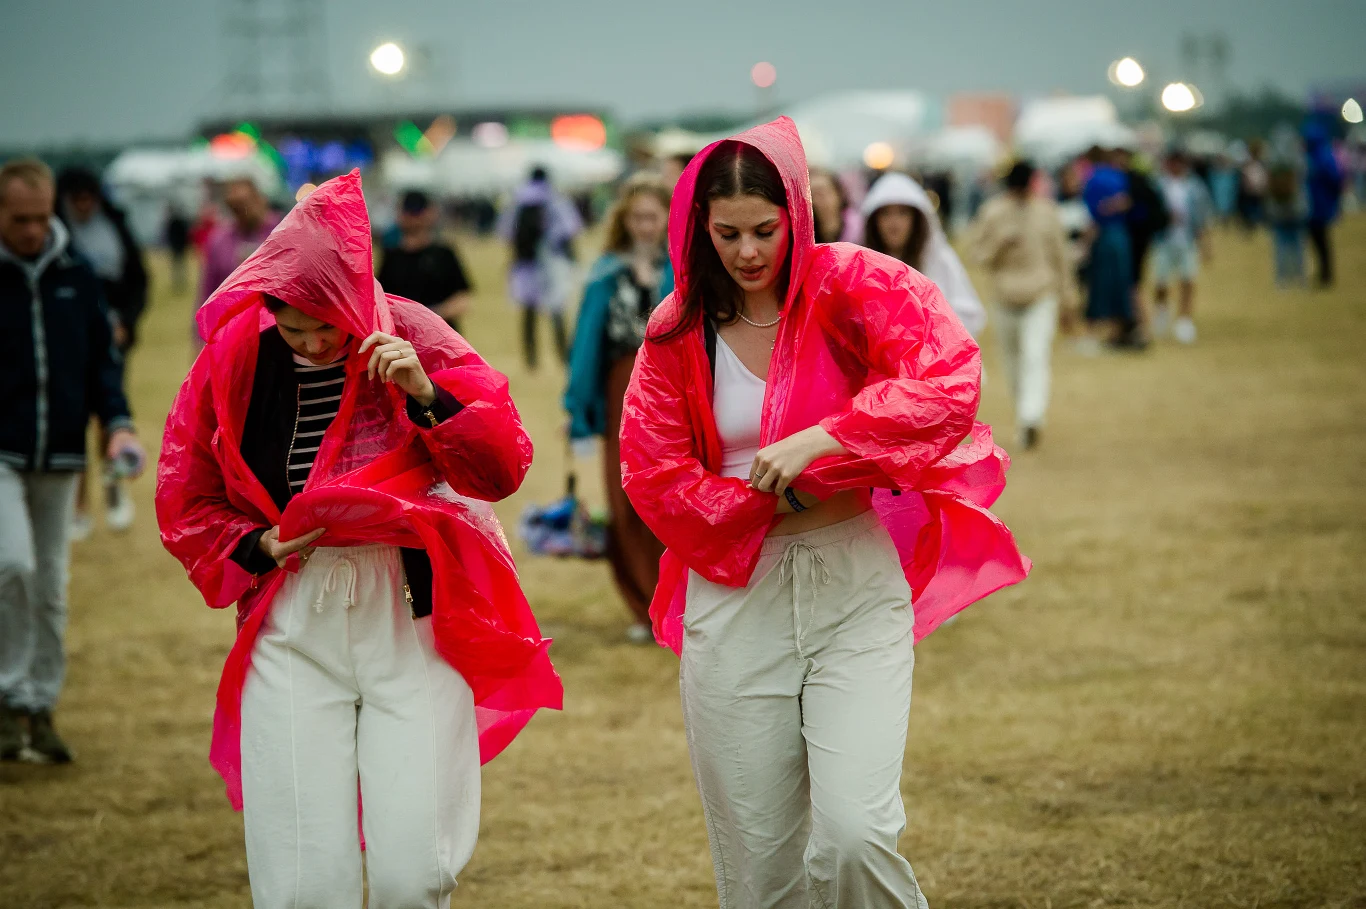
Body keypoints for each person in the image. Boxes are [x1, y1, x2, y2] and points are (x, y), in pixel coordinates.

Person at [620, 117, 1029, 909]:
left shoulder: (855, 286)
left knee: (854, 837)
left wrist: (824, 440)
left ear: (799, 216)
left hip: (853, 589)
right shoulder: (675, 331)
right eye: (727, 232)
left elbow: (947, 383)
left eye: (766, 230)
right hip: (737, 602)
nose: (747, 252)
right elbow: (653, 472)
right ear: (699, 229)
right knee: (760, 871)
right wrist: (761, 500)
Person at [155, 172, 561, 909]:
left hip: (411, 612)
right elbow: (187, 492)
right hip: (292, 613)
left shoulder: (414, 332)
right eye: (292, 327)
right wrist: (254, 546)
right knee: (305, 882)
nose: (311, 344)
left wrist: (428, 396)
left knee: (415, 871)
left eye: (326, 328)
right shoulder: (235, 357)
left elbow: (502, 465)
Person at [0, 158, 146, 764]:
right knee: (13, 565)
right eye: (19, 219)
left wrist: (116, 424)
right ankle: (7, 700)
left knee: (53, 586)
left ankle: (40, 707)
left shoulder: (77, 275)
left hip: (60, 454)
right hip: (3, 454)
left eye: (41, 217)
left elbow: (100, 367)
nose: (33, 230)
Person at [563, 173, 674, 643]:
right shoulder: (606, 273)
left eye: (653, 215)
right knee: (623, 498)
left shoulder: (685, 268)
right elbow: (587, 344)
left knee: (669, 496)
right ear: (624, 221)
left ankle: (676, 601)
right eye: (637, 217)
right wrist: (579, 407)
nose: (646, 225)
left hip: (672, 390)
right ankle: (642, 605)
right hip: (619, 387)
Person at [55, 167, 150, 535]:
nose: (82, 205)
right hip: (69, 340)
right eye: (75, 199)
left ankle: (114, 490)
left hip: (112, 338)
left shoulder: (116, 226)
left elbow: (139, 280)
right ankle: (77, 503)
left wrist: (127, 320)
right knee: (73, 421)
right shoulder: (56, 232)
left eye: (87, 198)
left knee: (110, 421)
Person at [970, 160, 1075, 449]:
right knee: (1012, 362)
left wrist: (1069, 300)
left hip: (1041, 294)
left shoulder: (1047, 212)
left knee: (1034, 355)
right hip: (1004, 296)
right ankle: (1025, 416)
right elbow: (977, 255)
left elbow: (1061, 258)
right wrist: (1000, 245)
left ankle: (1031, 417)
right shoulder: (992, 212)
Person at [859, 170, 988, 337]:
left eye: (902, 213)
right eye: (886, 214)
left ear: (916, 219)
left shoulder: (939, 259)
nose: (894, 222)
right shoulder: (864, 267)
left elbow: (969, 314)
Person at [497, 166, 583, 369]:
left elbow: (505, 231)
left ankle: (531, 359)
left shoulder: (518, 199)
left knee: (529, 311)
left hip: (526, 264)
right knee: (557, 310)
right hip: (552, 261)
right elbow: (570, 228)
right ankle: (563, 355)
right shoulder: (555, 198)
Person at [195, 175, 281, 357]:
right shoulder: (219, 240)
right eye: (235, 207)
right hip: (232, 336)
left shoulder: (281, 231)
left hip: (277, 332)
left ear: (259, 198)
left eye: (245, 203)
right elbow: (208, 292)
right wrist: (200, 339)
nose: (242, 211)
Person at [376, 189, 474, 333]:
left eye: (417, 211)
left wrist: (429, 315)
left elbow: (462, 299)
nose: (413, 217)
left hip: (442, 337)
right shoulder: (391, 256)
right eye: (409, 211)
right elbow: (380, 300)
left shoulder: (444, 254)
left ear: (431, 213)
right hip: (403, 338)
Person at [1150, 150, 1213, 344]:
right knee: (1161, 280)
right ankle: (1162, 312)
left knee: (1188, 279)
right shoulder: (1159, 185)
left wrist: (1205, 243)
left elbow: (1202, 216)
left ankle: (1184, 319)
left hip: (1187, 239)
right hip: (1164, 239)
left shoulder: (1194, 186)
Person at [1081, 148, 1134, 352]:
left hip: (1103, 236)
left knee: (1100, 285)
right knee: (1120, 284)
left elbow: (1093, 212)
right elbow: (1125, 202)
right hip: (1120, 236)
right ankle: (1118, 331)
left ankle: (1092, 332)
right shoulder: (1119, 177)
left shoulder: (1093, 179)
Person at [1303, 121, 1343, 288]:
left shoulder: (1320, 157)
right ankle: (1323, 273)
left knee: (1321, 241)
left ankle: (1326, 274)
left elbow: (1335, 181)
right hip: (1315, 206)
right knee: (1318, 241)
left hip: (1318, 206)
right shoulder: (1323, 156)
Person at [1266, 159, 1309, 288]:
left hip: (1278, 212)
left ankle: (1281, 279)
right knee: (1298, 246)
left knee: (1280, 247)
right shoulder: (1298, 161)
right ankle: (1301, 278)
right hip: (1296, 211)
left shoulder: (1272, 161)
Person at [809, 167, 861, 244]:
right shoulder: (804, 235)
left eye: (822, 193)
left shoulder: (861, 229)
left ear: (838, 193)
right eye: (812, 195)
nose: (817, 201)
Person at [164, 202, 192, 293]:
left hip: (176, 246)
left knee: (177, 265)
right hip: (179, 246)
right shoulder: (182, 222)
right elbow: (186, 235)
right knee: (180, 265)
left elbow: (170, 235)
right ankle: (180, 281)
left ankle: (178, 281)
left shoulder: (172, 222)